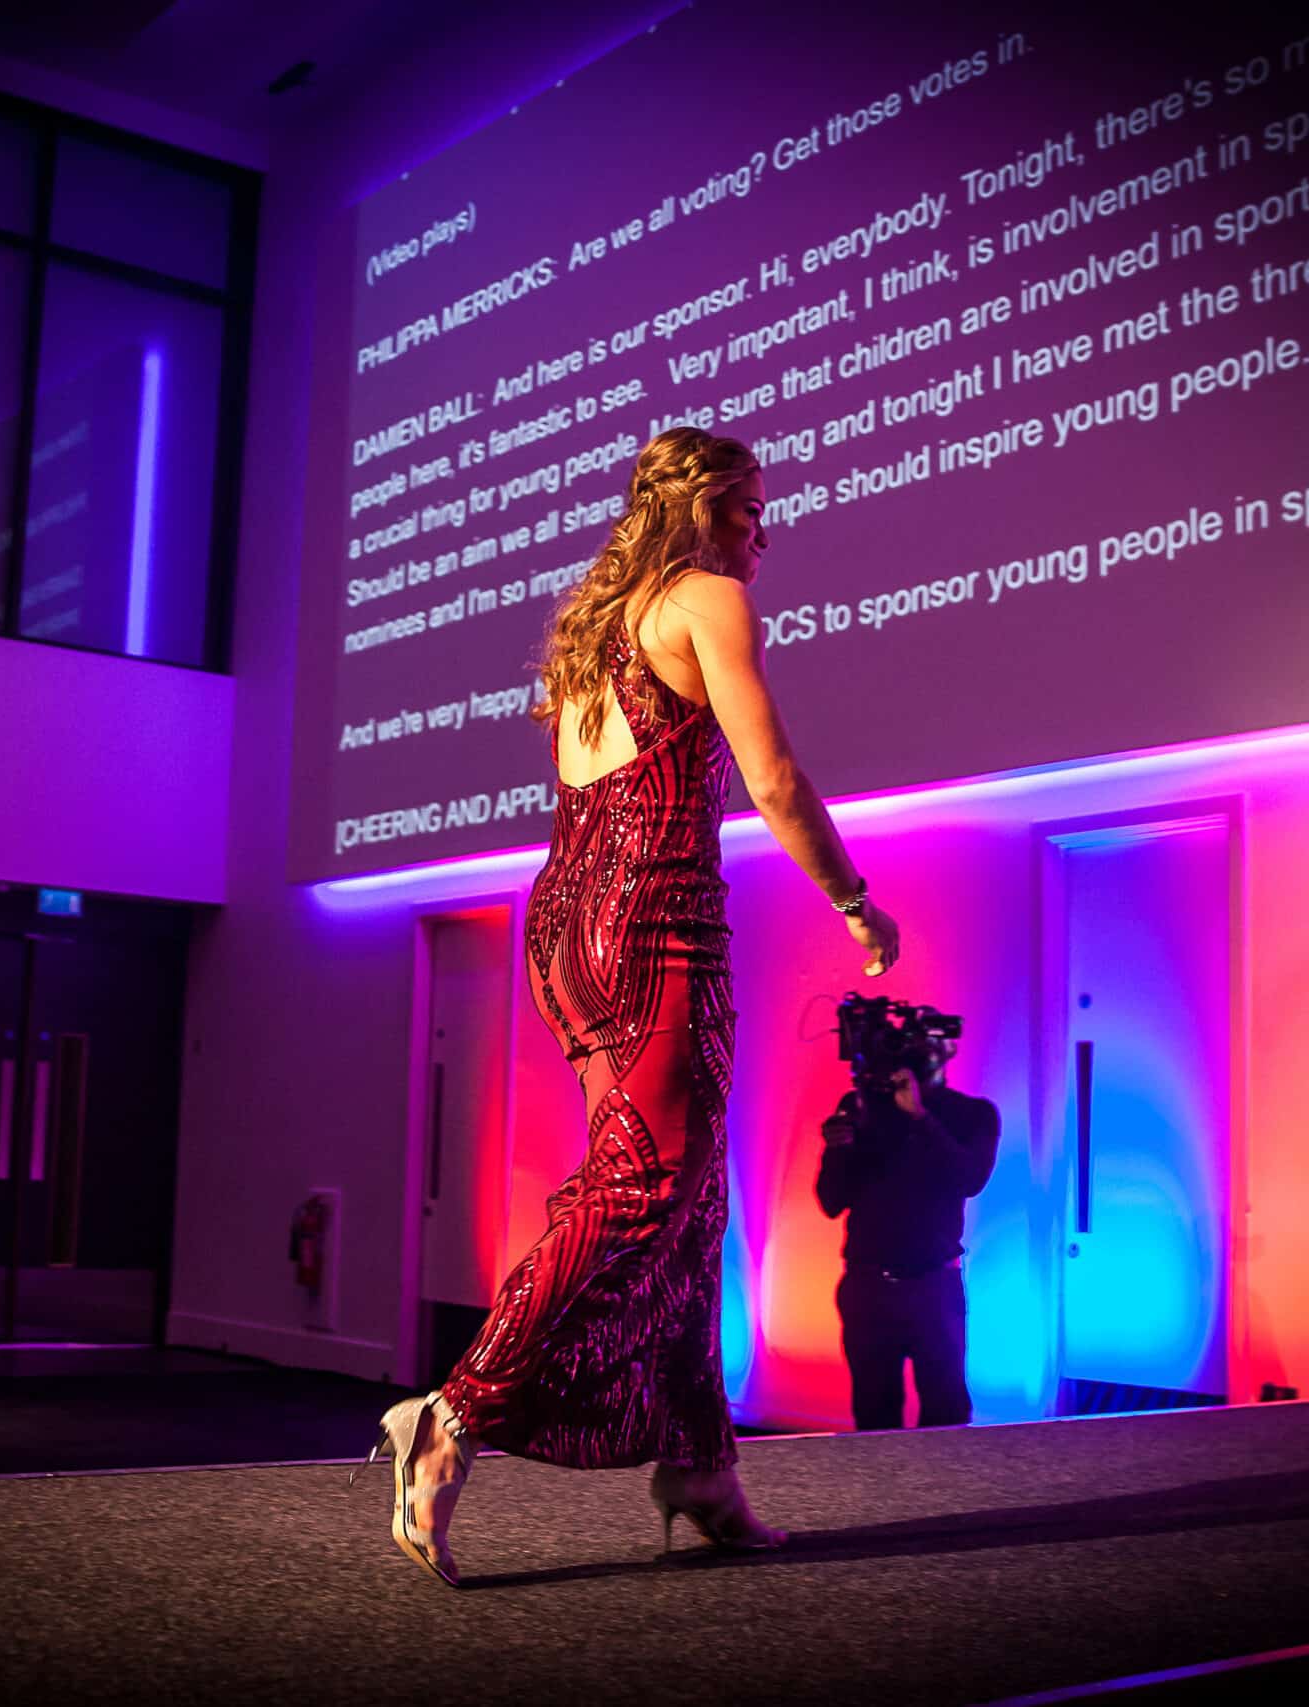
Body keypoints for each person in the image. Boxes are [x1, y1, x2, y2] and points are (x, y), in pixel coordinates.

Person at [361, 427, 905, 1587]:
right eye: (751, 508)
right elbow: (771, 778)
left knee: (689, 1200)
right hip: (654, 921)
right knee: (648, 1181)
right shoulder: (705, 598)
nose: (764, 534)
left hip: (567, 921)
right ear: (703, 509)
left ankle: (701, 1464)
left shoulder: (599, 628)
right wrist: (856, 903)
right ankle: (452, 1412)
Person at [815, 1052, 1000, 1431]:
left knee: (946, 1413)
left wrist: (920, 1117)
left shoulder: (971, 1113)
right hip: (868, 1286)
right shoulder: (862, 1107)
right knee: (874, 1416)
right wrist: (838, 1149)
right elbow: (831, 1200)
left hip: (933, 1285)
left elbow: (970, 1178)